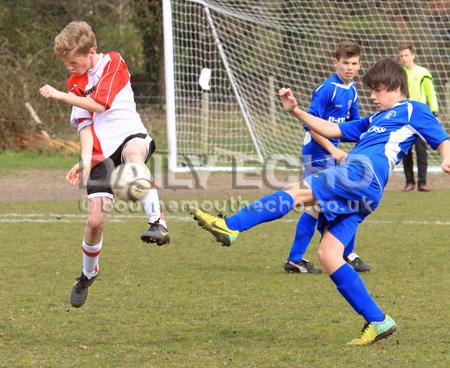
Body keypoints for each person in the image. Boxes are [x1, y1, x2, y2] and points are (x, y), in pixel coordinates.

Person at [191, 58, 450, 345]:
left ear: (395, 86)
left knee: (298, 191)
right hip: (366, 191)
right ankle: (378, 320)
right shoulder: (375, 120)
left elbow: (441, 138)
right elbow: (331, 130)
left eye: (377, 91)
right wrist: (296, 111)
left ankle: (230, 226)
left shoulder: (413, 109)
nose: (373, 98)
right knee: (329, 255)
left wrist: (447, 157)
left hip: (361, 174)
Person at [39, 21, 169, 308]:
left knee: (134, 157)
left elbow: (101, 105)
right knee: (95, 222)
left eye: (74, 61)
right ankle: (88, 273)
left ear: (91, 52)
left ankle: (157, 223)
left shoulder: (114, 61)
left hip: (131, 136)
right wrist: (85, 161)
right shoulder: (75, 83)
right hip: (101, 153)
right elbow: (86, 127)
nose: (70, 68)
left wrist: (60, 96)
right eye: (66, 63)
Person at [285, 41, 371, 275]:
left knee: (342, 202)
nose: (349, 68)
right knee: (317, 206)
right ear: (336, 62)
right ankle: (299, 258)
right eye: (345, 63)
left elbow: (354, 126)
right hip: (317, 152)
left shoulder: (352, 91)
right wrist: (333, 150)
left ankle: (342, 254)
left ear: (360, 65)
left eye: (354, 63)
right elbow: (310, 125)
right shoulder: (326, 89)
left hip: (334, 154)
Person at [398, 44, 440, 192]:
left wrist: (434, 111)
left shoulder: (423, 72)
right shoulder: (399, 73)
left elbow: (431, 92)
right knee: (405, 150)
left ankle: (422, 182)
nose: (404, 58)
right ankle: (409, 182)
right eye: (401, 56)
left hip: (420, 115)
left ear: (413, 55)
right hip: (404, 115)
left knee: (421, 150)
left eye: (406, 55)